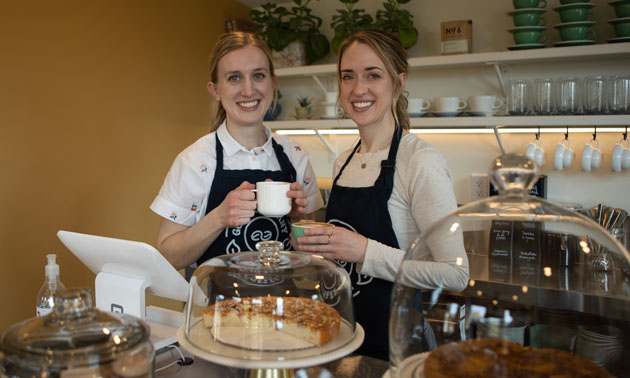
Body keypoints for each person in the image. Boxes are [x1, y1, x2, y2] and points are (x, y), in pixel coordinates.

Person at [293, 30, 469, 360]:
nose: (359, 89)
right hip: (339, 339)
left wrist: (365, 251)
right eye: (348, 76)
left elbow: (455, 274)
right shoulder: (343, 160)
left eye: (373, 74)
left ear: (398, 82)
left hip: (397, 348)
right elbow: (342, 259)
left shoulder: (420, 161)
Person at [151, 32, 324, 271]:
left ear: (273, 82)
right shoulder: (195, 161)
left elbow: (308, 253)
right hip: (215, 306)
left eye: (258, 76)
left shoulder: (295, 155)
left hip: (283, 304)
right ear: (215, 90)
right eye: (234, 78)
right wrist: (219, 217)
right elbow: (166, 259)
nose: (248, 90)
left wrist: (297, 218)